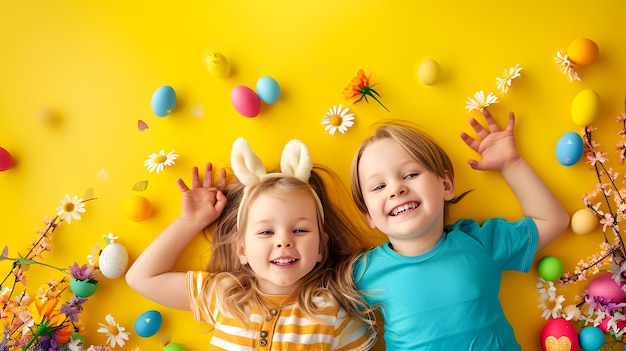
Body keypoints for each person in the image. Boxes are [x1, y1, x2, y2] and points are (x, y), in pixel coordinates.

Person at [126, 138, 377, 351]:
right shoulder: (224, 295)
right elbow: (141, 277)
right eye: (266, 231)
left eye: (299, 230)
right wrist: (189, 222)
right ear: (242, 250)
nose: (283, 241)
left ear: (321, 247)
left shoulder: (333, 315)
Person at [349, 109, 570, 350]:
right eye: (378, 186)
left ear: (446, 185)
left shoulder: (479, 242)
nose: (396, 189)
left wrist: (511, 164)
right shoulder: (361, 273)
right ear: (369, 215)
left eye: (411, 174)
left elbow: (553, 220)